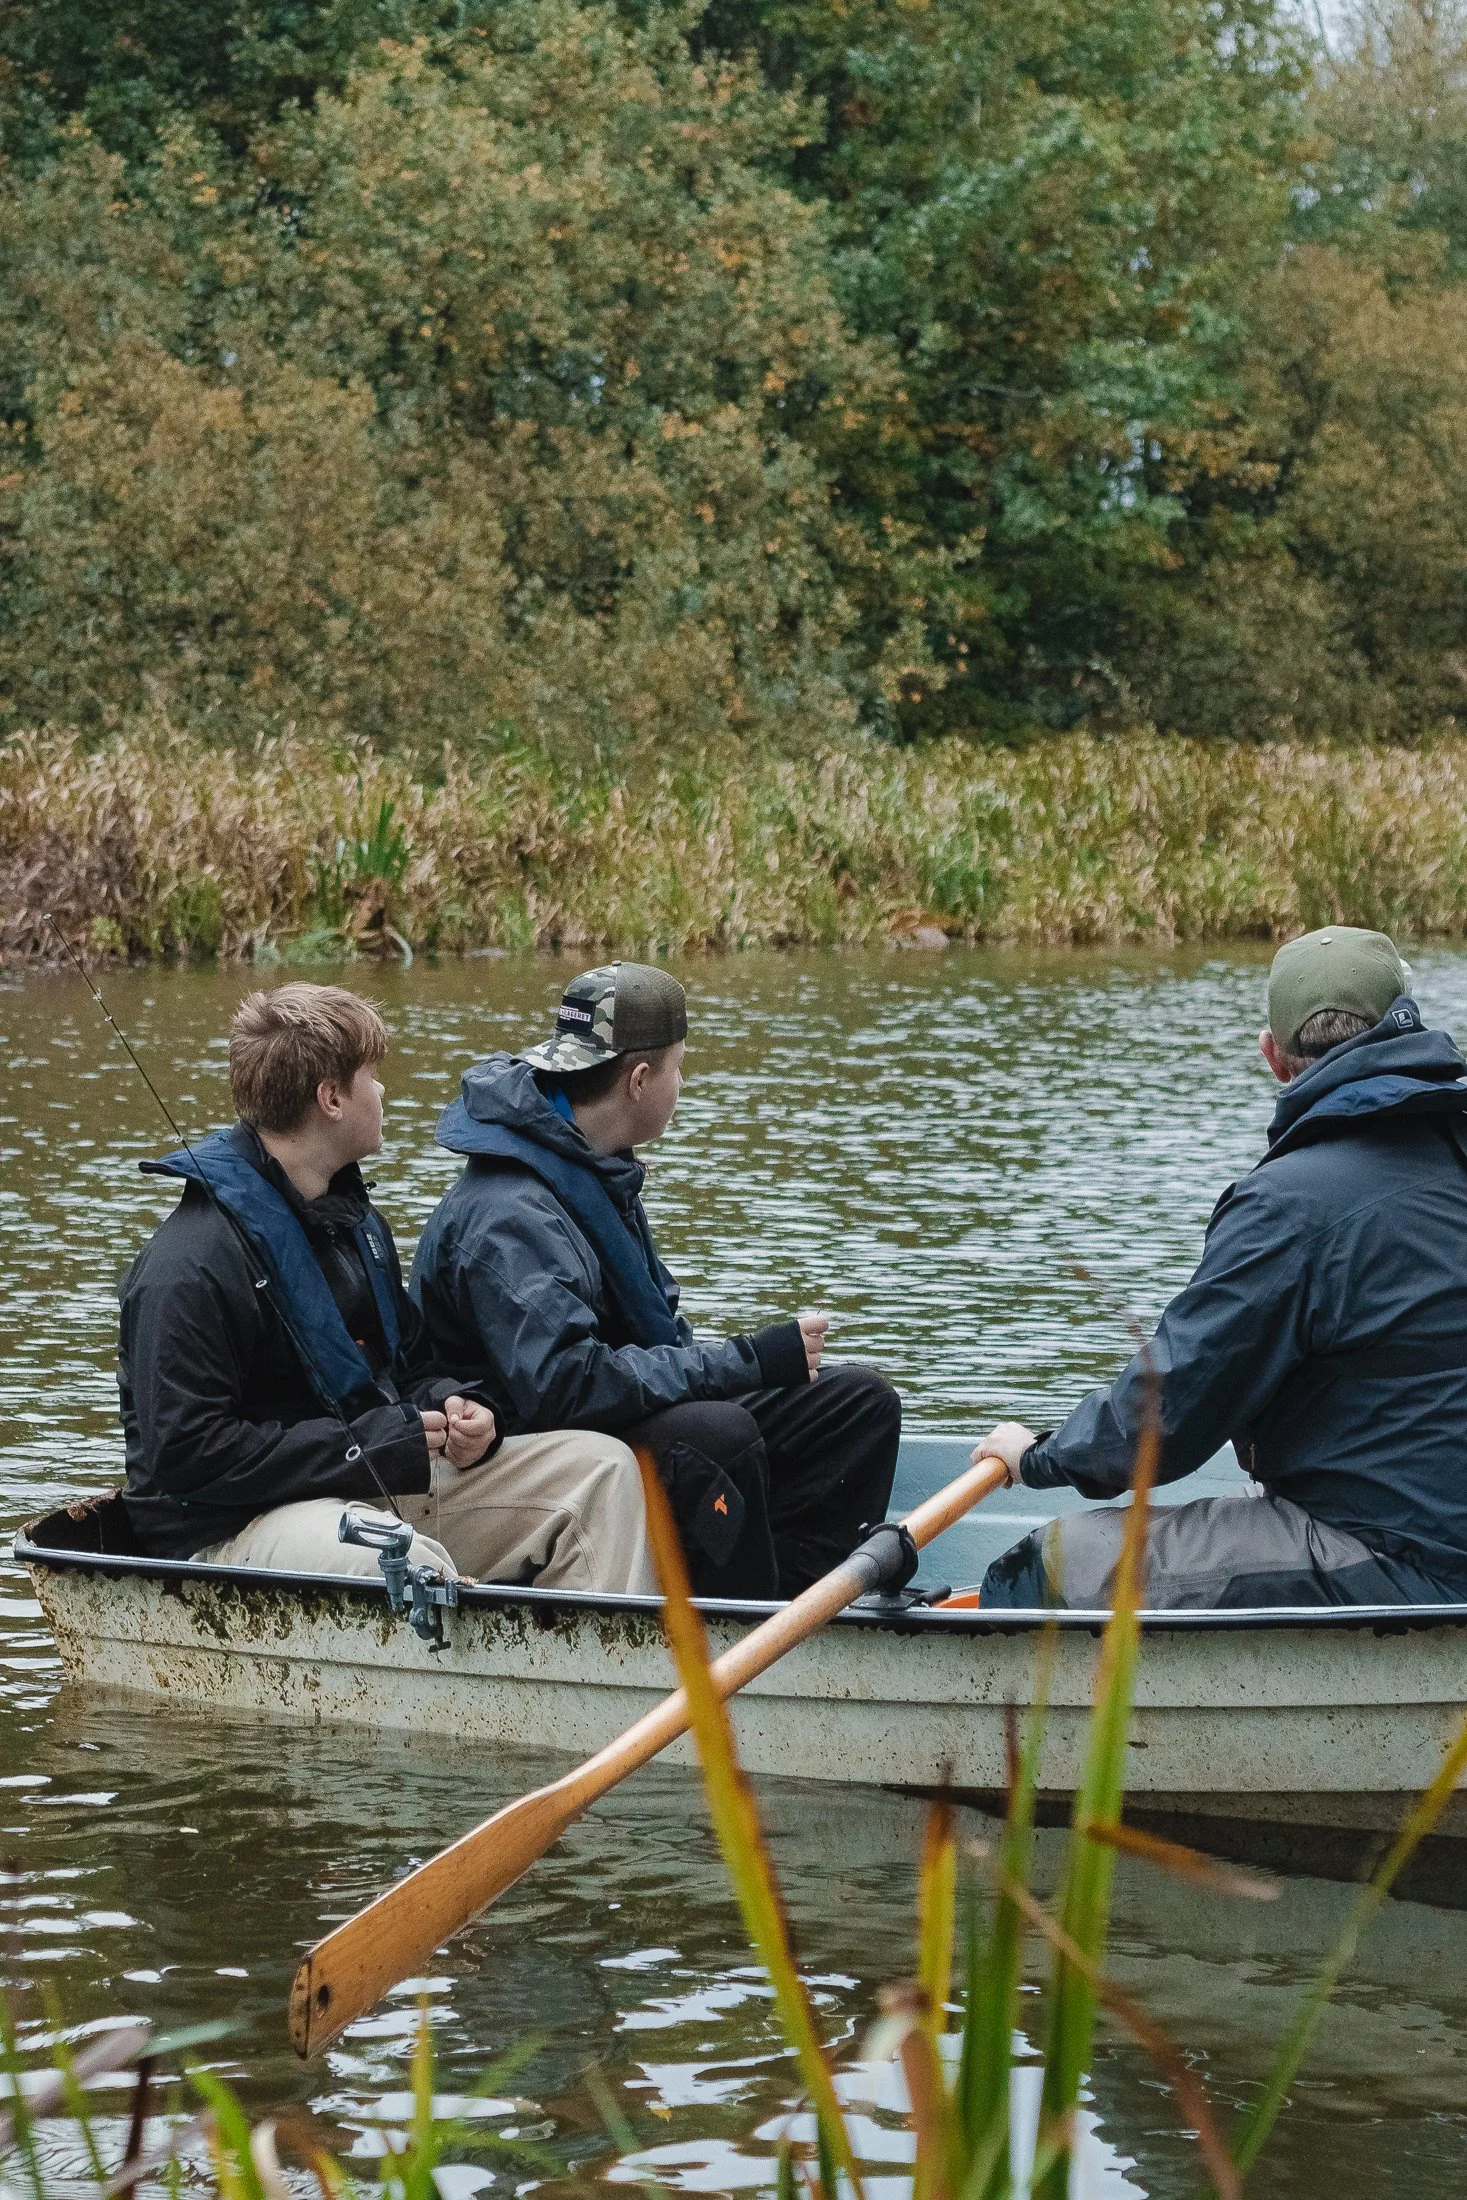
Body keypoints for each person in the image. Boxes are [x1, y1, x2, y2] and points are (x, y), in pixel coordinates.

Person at [975, 926, 1467, 1610]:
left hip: (1408, 1558)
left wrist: (1036, 1457)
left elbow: (1168, 1415)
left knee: (1048, 1567)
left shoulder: (1286, 1206)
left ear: (1273, 1056)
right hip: (1428, 1532)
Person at [119, 983, 656, 1595]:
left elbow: (410, 1365)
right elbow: (187, 1454)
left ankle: (592, 1656)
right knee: (403, 1559)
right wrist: (366, 1445)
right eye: (370, 1078)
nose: (381, 1092)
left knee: (602, 1469)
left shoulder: (355, 1225)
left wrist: (459, 1406)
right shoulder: (190, 1263)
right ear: (331, 1099)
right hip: (226, 1529)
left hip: (356, 1483)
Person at [411, 962, 901, 1600]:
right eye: (677, 1068)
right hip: (528, 1439)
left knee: (858, 1405)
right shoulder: (510, 1214)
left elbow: (653, 1340)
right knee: (716, 1438)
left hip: (602, 1407)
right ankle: (739, 1629)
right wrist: (749, 1360)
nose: (681, 1084)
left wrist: (749, 1366)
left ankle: (809, 1608)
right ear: (640, 1081)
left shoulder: (593, 1165)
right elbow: (569, 1387)